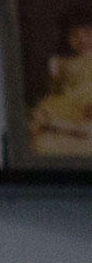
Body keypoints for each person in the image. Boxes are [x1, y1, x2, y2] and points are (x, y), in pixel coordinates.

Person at [27, 8, 92, 157]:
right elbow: (55, 90)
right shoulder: (61, 62)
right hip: (68, 103)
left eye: (88, 33)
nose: (82, 40)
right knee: (37, 119)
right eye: (75, 35)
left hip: (88, 102)